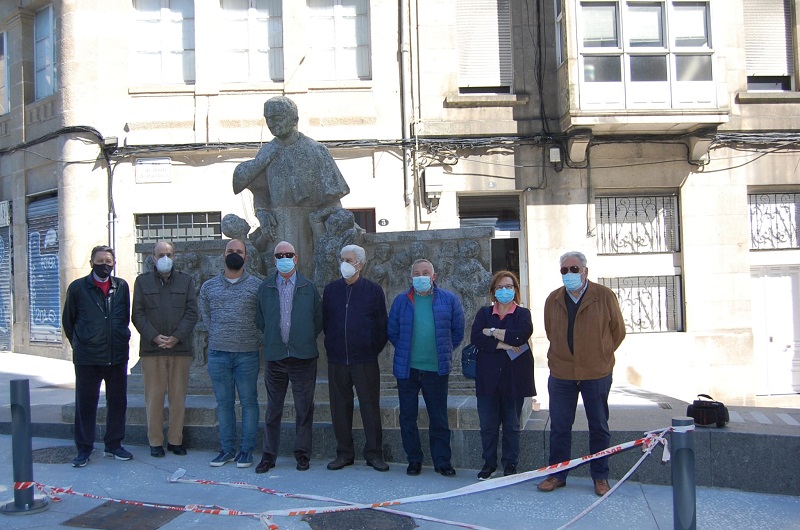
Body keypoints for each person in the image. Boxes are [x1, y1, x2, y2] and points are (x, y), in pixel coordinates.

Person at [538, 251, 626, 497]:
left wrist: (601, 354)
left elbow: (617, 331)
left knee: (598, 425)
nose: (569, 274)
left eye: (574, 269)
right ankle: (557, 474)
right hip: (562, 373)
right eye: (564, 270)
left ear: (585, 271)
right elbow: (550, 331)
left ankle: (600, 476)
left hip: (596, 373)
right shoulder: (553, 299)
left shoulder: (604, 296)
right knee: (559, 426)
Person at [232, 96, 350, 277]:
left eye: (277, 118)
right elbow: (261, 191)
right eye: (268, 119)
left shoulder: (315, 150)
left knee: (309, 277)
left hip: (309, 227)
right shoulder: (266, 151)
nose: (272, 124)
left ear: (294, 120)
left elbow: (333, 201)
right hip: (276, 227)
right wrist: (262, 212)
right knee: (278, 280)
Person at [388, 258, 465, 477]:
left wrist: (443, 350)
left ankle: (442, 461)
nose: (421, 276)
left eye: (425, 272)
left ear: (434, 276)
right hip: (407, 370)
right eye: (416, 273)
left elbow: (457, 332)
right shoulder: (401, 301)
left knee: (438, 417)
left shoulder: (449, 300)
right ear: (411, 277)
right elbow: (393, 332)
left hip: (436, 370)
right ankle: (414, 460)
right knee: (407, 417)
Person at [255, 241, 323, 473]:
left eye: (289, 254)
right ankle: (269, 455)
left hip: (302, 357)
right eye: (279, 255)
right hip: (275, 357)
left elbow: (317, 320)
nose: (284, 257)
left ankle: (302, 454)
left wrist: (300, 339)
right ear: (274, 260)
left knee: (304, 409)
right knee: (273, 408)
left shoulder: (308, 287)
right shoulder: (265, 288)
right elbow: (260, 320)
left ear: (296, 258)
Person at [62, 245, 132, 467]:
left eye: (109, 261)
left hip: (116, 354)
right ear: (91, 262)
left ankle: (114, 444)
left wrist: (121, 336)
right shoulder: (77, 288)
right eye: (100, 261)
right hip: (87, 358)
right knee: (86, 404)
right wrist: (80, 343)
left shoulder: (121, 287)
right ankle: (84, 449)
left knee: (118, 402)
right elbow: (68, 320)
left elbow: (124, 316)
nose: (105, 265)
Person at [322, 244, 389, 472]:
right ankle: (344, 453)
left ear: (360, 264)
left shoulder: (373, 291)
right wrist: (332, 346)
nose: (345, 263)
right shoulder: (331, 290)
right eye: (342, 259)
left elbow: (382, 326)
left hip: (365, 360)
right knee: (339, 408)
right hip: (338, 360)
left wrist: (370, 349)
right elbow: (326, 322)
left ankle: (374, 454)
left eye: (349, 260)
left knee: (370, 408)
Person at [198, 239, 262, 468]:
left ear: (246, 256)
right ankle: (226, 449)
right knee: (224, 404)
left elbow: (262, 317)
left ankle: (246, 451)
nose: (234, 254)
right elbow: (205, 315)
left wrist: (253, 338)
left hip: (247, 354)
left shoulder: (257, 286)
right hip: (218, 354)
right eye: (230, 251)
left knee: (249, 403)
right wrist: (218, 333)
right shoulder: (209, 287)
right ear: (223, 255)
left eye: (239, 251)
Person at [132, 241, 199, 458]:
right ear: (153, 257)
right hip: (153, 350)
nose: (165, 258)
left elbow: (191, 313)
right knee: (154, 398)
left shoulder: (186, 281)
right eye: (161, 254)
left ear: (175, 256)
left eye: (169, 253)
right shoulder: (142, 282)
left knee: (178, 398)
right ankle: (155, 442)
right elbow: (138, 314)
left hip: (179, 349)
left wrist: (177, 337)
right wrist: (154, 336)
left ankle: (175, 440)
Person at [470, 271, 535, 480]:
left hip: (514, 378)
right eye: (499, 287)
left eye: (508, 286)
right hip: (488, 379)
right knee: (488, 425)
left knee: (511, 425)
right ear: (493, 292)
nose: (504, 291)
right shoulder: (484, 313)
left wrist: (492, 332)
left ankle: (510, 464)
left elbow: (521, 335)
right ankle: (489, 464)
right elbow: (476, 338)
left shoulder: (523, 314)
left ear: (515, 290)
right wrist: (504, 343)